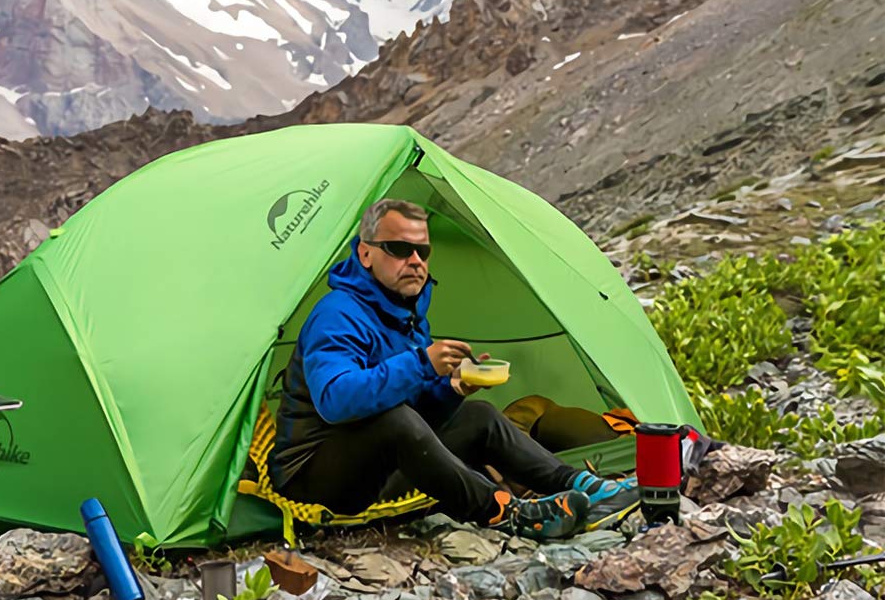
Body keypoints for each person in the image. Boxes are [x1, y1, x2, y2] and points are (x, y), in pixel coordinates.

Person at [271, 198, 636, 539]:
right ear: (365, 253)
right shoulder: (338, 314)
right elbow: (336, 400)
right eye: (399, 249)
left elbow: (418, 415)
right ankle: (510, 514)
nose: (415, 260)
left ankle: (581, 484)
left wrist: (452, 389)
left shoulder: (405, 313)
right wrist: (420, 363)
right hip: (316, 475)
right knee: (395, 420)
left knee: (477, 415)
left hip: (379, 467)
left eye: (423, 251)